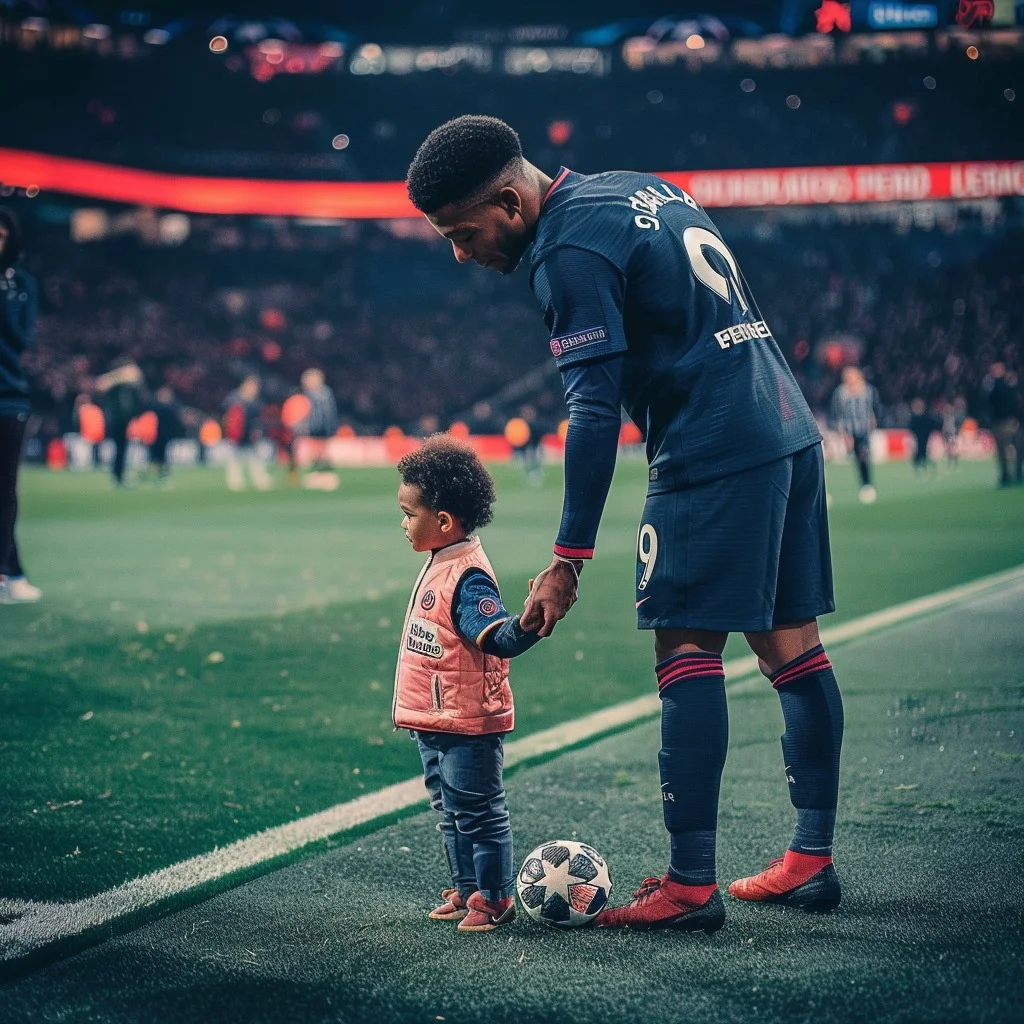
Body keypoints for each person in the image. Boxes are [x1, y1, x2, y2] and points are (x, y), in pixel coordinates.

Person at [406, 115, 844, 931]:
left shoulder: (565, 252)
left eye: (464, 233)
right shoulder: (641, 187)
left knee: (685, 647)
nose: (460, 255)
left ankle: (689, 886)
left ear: (510, 199)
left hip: (710, 450)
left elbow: (593, 410)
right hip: (786, 427)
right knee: (793, 647)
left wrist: (566, 558)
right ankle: (810, 862)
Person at [394, 434, 540, 933]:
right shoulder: (441, 560)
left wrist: (526, 625)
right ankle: (467, 888)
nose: (403, 523)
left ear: (443, 522)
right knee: (449, 808)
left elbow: (497, 634)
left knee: (477, 810)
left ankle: (495, 897)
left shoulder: (468, 576)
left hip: (467, 722)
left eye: (409, 514)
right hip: (436, 719)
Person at [0, 207, 42, 604]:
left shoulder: (23, 284)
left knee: (4, 491)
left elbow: (18, 339)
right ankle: (11, 571)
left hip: (8, 398)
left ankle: (7, 571)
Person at [830, 366, 880, 503]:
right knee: (856, 458)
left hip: (864, 431)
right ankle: (864, 484)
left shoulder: (868, 391)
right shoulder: (840, 393)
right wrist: (843, 433)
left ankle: (867, 484)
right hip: (848, 432)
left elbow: (874, 409)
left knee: (863, 455)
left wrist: (874, 421)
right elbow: (837, 413)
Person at [94, 358, 146, 487]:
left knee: (121, 447)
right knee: (120, 447)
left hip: (124, 418)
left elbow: (137, 379)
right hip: (117, 418)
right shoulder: (114, 382)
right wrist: (120, 374)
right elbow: (100, 385)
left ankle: (118, 475)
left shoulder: (125, 384)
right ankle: (118, 476)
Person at [223, 376, 271, 491]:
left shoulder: (257, 401)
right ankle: (235, 482)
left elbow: (259, 419)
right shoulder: (234, 399)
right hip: (237, 434)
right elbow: (228, 417)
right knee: (234, 459)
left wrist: (258, 430)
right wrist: (230, 432)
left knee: (256, 459)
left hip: (251, 434)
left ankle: (260, 480)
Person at [981, 362, 1022, 487]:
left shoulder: (993, 386)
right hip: (1006, 421)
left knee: (1004, 450)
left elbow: (987, 402)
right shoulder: (1008, 385)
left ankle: (1007, 475)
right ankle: (1016, 474)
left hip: (1003, 422)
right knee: (1012, 449)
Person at [149, 386, 183, 486]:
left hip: (164, 436)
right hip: (154, 436)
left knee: (162, 456)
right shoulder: (157, 407)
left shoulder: (168, 407)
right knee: (156, 456)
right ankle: (157, 475)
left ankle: (162, 475)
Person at [908, 398, 940, 476]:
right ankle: (919, 465)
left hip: (925, 440)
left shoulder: (925, 418)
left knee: (924, 451)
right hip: (918, 440)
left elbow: (933, 426)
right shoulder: (915, 419)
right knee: (919, 451)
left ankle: (922, 465)